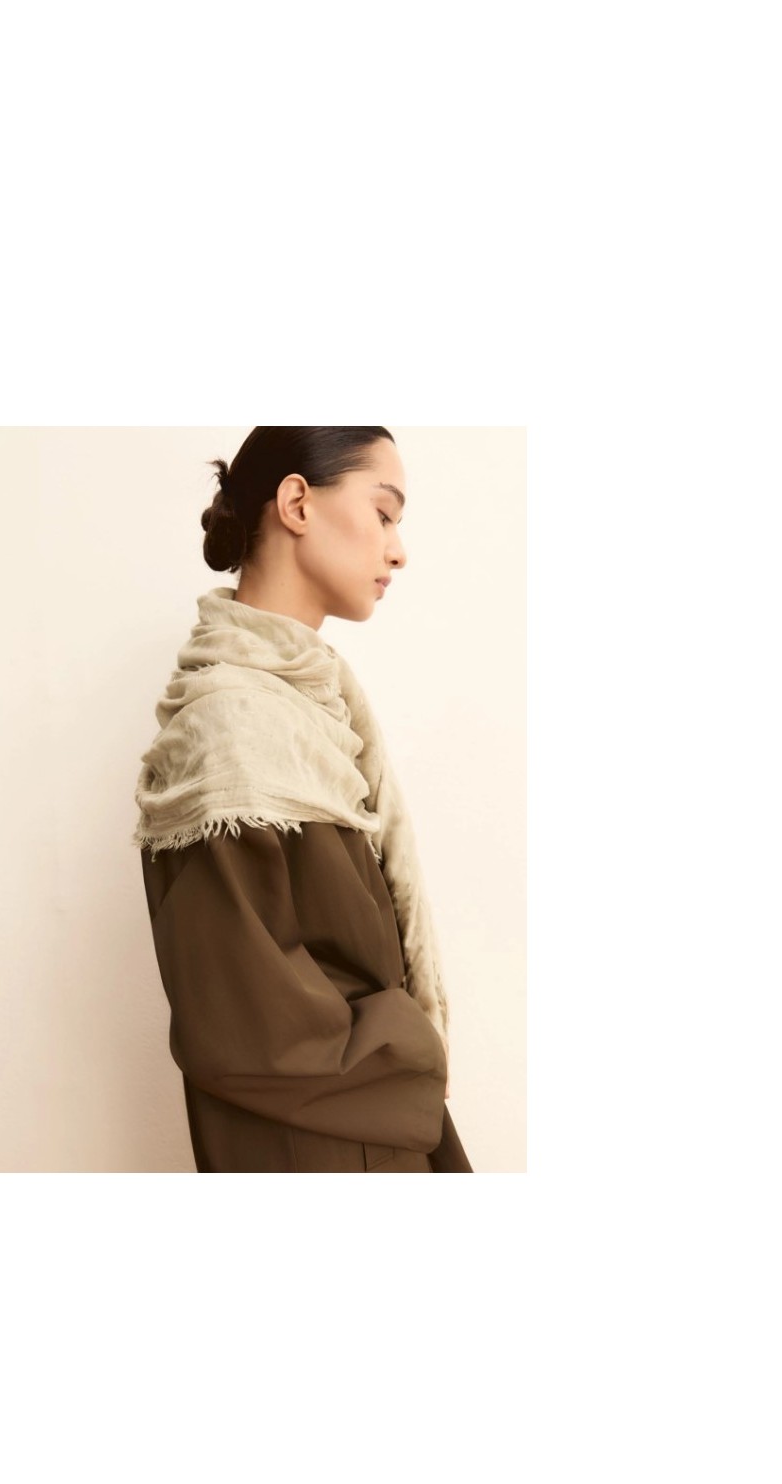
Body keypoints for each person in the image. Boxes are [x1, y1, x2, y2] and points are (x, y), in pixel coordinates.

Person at [133, 427, 472, 1173]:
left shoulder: (315, 709)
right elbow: (247, 1021)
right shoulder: (230, 727)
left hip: (374, 1122)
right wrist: (413, 1044)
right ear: (296, 503)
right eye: (383, 514)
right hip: (311, 1143)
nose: (398, 551)